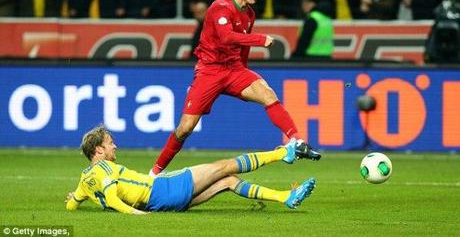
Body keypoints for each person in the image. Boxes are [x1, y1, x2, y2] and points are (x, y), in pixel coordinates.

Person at [150, 0, 321, 176]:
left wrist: (244, 73)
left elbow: (243, 49)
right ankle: (154, 173)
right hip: (210, 71)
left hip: (234, 70)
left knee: (267, 93)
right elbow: (226, 37)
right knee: (185, 127)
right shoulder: (220, 6)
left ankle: (296, 141)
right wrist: (260, 39)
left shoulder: (249, 14)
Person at [65, 125, 317, 214]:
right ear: (98, 151)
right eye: (109, 144)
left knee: (227, 181)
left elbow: (71, 205)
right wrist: (134, 215)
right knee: (224, 166)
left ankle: (286, 197)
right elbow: (111, 197)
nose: (114, 146)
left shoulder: (86, 179)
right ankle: (284, 153)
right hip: (162, 189)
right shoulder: (105, 168)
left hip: (160, 203)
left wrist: (76, 199)